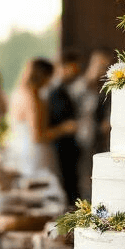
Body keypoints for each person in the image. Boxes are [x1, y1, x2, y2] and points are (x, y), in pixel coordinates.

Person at [7, 58, 76, 188]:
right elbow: (38, 136)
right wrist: (64, 128)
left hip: (20, 150)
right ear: (43, 76)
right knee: (44, 191)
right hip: (36, 154)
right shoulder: (33, 98)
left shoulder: (18, 93)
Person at [71, 49, 113, 199]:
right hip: (79, 141)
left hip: (99, 141)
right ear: (92, 63)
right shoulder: (78, 87)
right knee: (82, 179)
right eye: (100, 65)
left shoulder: (106, 89)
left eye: (106, 66)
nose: (102, 70)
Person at [48, 51, 83, 204]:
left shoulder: (67, 88)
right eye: (73, 67)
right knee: (66, 189)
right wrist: (66, 127)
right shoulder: (54, 91)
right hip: (60, 146)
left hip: (70, 146)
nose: (76, 71)